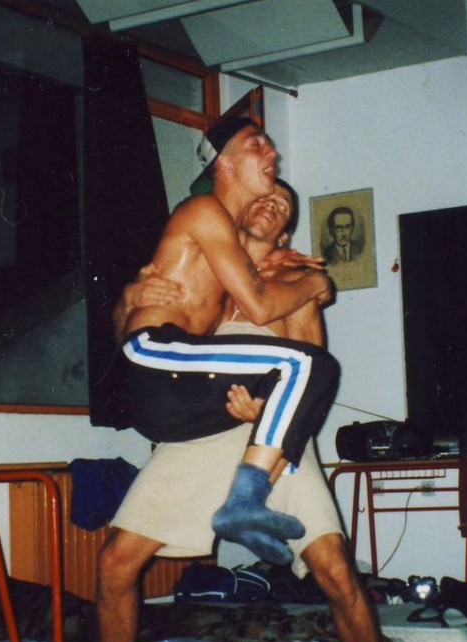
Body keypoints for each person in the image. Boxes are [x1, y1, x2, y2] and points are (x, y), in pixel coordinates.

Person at [60, 180, 430, 642]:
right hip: (203, 433)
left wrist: (264, 410)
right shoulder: (209, 272)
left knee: (335, 571)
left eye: (283, 205)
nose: (271, 202)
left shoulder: (293, 281)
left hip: (273, 439)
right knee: (115, 564)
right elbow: (136, 337)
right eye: (265, 195)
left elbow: (312, 363)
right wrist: (128, 297)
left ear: (285, 232)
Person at [114, 116, 339, 566]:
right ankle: (245, 501)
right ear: (224, 164)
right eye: (257, 144)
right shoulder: (203, 210)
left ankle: (250, 503)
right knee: (308, 365)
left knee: (304, 369)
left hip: (174, 395)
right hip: (153, 359)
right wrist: (316, 283)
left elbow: (247, 288)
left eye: (282, 208)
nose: (272, 152)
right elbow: (259, 306)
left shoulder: (224, 261)